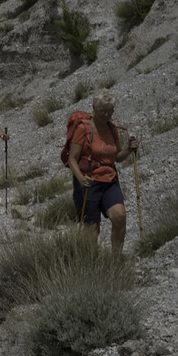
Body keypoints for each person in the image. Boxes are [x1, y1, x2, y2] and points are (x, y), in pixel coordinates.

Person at [67, 90, 139, 253]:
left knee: (119, 217)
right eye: (103, 110)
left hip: (110, 179)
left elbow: (116, 157)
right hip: (89, 182)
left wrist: (128, 149)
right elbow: (72, 158)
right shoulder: (83, 129)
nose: (107, 114)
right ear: (94, 108)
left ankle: (115, 259)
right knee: (92, 229)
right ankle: (90, 262)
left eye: (110, 111)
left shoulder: (112, 129)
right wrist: (80, 178)